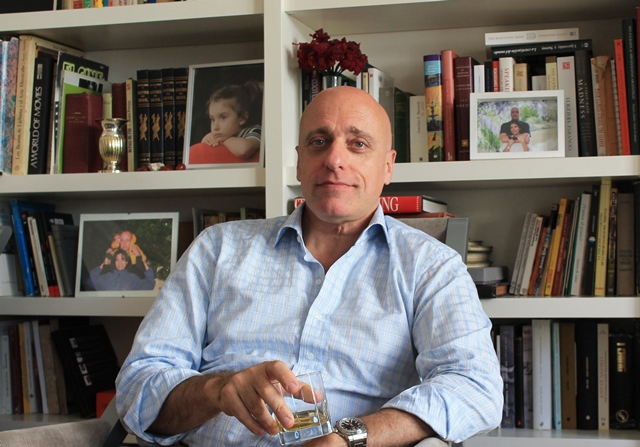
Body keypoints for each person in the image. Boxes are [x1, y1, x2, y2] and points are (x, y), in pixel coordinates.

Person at [115, 86, 503, 447]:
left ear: (388, 167)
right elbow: (137, 388)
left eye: (358, 144)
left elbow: (474, 387)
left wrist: (349, 437)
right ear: (300, 161)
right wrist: (217, 390)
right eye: (319, 142)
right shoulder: (217, 248)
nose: (334, 160)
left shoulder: (431, 267)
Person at [188, 81, 262, 165]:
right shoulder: (223, 134)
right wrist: (207, 142)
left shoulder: (255, 130)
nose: (216, 127)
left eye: (223, 117)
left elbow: (243, 149)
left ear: (242, 118)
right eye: (212, 119)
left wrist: (224, 140)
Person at [87, 248, 154, 291]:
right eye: (117, 260)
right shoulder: (106, 277)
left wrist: (143, 262)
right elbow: (90, 281)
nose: (120, 263)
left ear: (126, 262)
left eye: (123, 259)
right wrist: (105, 261)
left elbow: (149, 285)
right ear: (114, 261)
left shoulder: (133, 278)